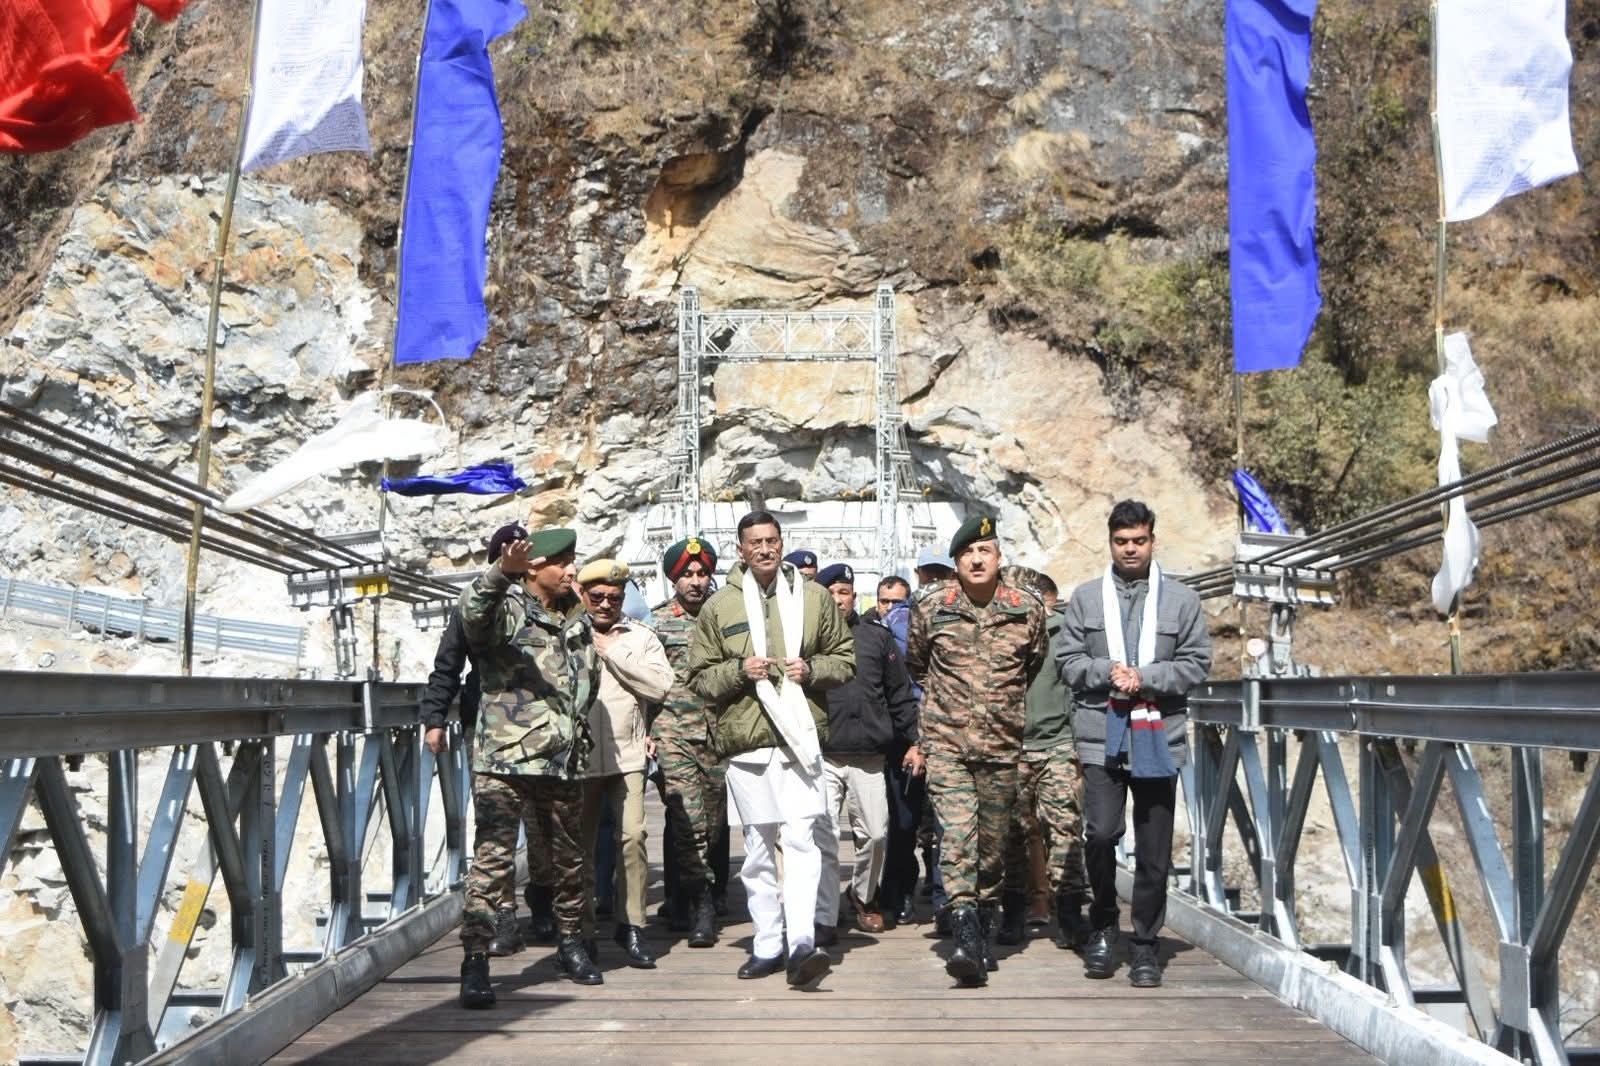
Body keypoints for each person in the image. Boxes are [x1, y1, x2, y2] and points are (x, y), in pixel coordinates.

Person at [688, 511, 855, 988]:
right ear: (740, 549)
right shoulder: (720, 607)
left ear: (782, 544)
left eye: (772, 540)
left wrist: (813, 670)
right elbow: (699, 679)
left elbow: (844, 659)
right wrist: (740, 670)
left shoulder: (815, 598)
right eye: (755, 542)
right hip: (748, 743)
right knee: (760, 850)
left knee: (803, 841)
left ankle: (802, 943)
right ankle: (766, 942)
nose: (765, 549)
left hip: (800, 738)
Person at [1058, 500, 1212, 988]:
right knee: (1101, 834)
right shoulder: (1084, 599)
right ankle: (1103, 923)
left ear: (1152, 541)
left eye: (1139, 541)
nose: (1130, 549)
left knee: (1154, 850)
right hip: (1100, 734)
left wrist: (1144, 677)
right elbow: (1068, 661)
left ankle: (1145, 945)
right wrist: (1109, 673)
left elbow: (1195, 663)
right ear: (1110, 543)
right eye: (1122, 542)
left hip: (1158, 738)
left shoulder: (1182, 602)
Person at [457, 526, 603, 1007]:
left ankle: (570, 945)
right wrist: (501, 572)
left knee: (568, 861)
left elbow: (587, 681)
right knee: (493, 864)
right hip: (508, 758)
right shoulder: (509, 609)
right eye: (561, 562)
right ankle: (475, 960)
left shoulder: (577, 617)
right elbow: (472, 616)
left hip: (562, 760)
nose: (571, 570)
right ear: (534, 567)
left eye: (572, 560)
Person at [907, 514, 1047, 987]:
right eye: (968, 552)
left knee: (991, 848)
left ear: (999, 557)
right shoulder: (931, 607)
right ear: (957, 561)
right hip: (946, 744)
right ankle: (965, 936)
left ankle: (983, 927)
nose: (976, 558)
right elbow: (918, 665)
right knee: (959, 837)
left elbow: (1032, 663)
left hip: (1002, 745)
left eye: (984, 550)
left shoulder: (1026, 608)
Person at [421, 523, 559, 956]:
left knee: (541, 826)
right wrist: (434, 718)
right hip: (488, 732)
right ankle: (502, 917)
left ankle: (540, 896)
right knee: (495, 830)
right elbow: (448, 663)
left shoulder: (544, 604)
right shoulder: (477, 605)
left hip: (540, 731)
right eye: (508, 553)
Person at [813, 563, 921, 937]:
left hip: (870, 756)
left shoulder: (877, 638)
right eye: (830, 593)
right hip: (822, 756)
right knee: (822, 837)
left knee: (875, 835)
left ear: (854, 597)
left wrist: (914, 741)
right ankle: (824, 912)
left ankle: (862, 895)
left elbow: (900, 694)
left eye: (844, 592)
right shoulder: (805, 638)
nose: (838, 599)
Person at [577, 559, 674, 970]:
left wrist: (614, 652)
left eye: (614, 598)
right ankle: (580, 930)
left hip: (629, 754)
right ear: (583, 596)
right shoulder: (567, 634)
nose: (605, 605)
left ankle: (632, 923)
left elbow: (660, 685)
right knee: (578, 849)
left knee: (632, 837)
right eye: (596, 597)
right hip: (579, 758)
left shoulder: (641, 637)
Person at [996, 567, 1090, 951]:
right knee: (1012, 835)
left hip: (1057, 745)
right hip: (1010, 747)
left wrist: (1081, 745)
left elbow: (1078, 690)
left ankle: (1069, 914)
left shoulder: (1065, 632)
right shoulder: (995, 633)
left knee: (1065, 831)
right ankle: (1014, 913)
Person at [650, 536, 727, 947]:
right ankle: (701, 904)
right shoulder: (658, 622)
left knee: (713, 827)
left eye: (702, 573)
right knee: (688, 822)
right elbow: (643, 681)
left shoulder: (725, 617)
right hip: (673, 732)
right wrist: (646, 731)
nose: (696, 581)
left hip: (717, 735)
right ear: (674, 579)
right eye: (687, 575)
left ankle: (694, 893)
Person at [871, 574, 924, 926]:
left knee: (912, 821)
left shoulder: (913, 633)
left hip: (917, 737)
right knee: (888, 822)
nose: (891, 608)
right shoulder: (869, 635)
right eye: (885, 601)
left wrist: (919, 740)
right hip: (883, 740)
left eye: (898, 602)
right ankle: (887, 891)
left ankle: (909, 890)